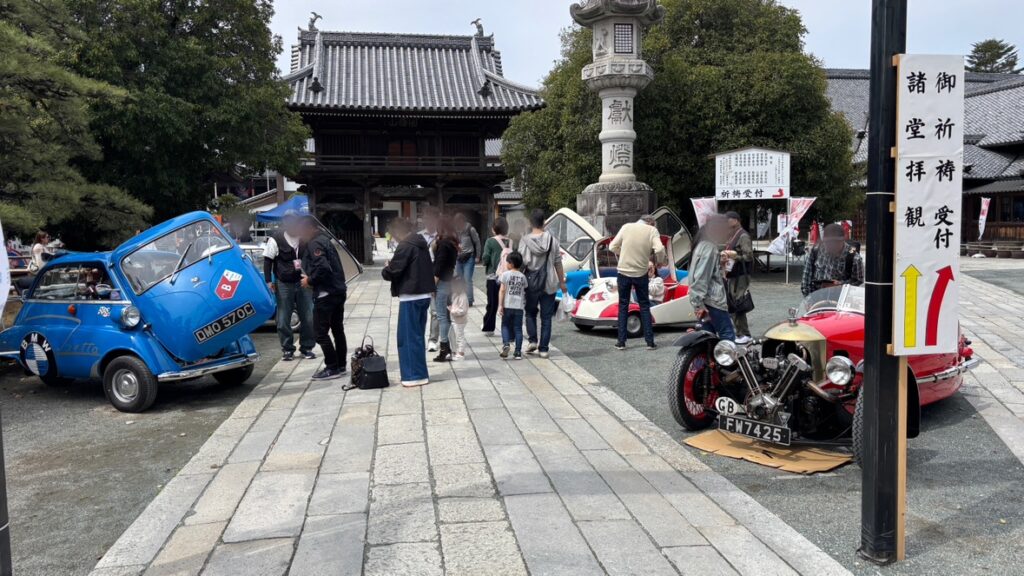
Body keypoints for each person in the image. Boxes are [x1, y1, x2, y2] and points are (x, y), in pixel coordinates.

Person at [382, 218, 435, 387]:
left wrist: (386, 268)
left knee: (408, 337)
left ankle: (414, 376)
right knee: (417, 336)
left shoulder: (405, 245)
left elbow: (394, 271)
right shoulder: (420, 242)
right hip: (423, 294)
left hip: (411, 296)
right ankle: (419, 373)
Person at [298, 216, 349, 381]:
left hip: (326, 294)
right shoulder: (326, 240)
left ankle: (332, 366)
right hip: (338, 291)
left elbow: (323, 268)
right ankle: (341, 365)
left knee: (319, 333)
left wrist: (309, 280)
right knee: (337, 330)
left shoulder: (315, 243)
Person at [262, 211, 316, 361]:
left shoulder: (304, 237)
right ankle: (287, 349)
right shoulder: (276, 238)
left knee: (309, 316)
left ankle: (307, 348)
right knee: (283, 317)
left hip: (303, 281)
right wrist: (268, 281)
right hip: (283, 282)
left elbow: (312, 257)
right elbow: (268, 260)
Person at [609, 215, 664, 350]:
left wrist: (623, 253)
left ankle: (621, 342)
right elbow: (660, 249)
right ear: (651, 223)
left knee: (623, 305)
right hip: (640, 273)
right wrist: (660, 261)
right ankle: (650, 341)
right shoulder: (652, 231)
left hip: (623, 272)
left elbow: (612, 246)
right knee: (644, 306)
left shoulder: (626, 227)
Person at [519, 209, 568, 359]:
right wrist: (561, 282)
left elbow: (521, 263)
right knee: (546, 317)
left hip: (530, 283)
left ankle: (533, 340)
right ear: (544, 222)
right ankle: (544, 349)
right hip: (549, 283)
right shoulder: (553, 240)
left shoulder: (525, 240)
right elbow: (558, 263)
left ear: (530, 223)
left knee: (530, 312)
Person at [689, 215, 736, 341]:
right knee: (728, 338)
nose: (728, 233)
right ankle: (727, 362)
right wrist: (698, 304)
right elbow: (701, 277)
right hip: (712, 302)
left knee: (706, 340)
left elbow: (701, 273)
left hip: (705, 301)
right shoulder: (709, 248)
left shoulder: (700, 244)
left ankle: (706, 361)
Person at [801, 223, 865, 297]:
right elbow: (805, 282)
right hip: (816, 298)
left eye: (836, 242)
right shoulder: (815, 251)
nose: (832, 245)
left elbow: (858, 281)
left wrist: (840, 285)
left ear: (843, 239)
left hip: (841, 300)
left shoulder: (854, 257)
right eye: (828, 242)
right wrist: (809, 300)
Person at [722, 211, 754, 344]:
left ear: (736, 220)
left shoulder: (743, 236)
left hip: (741, 273)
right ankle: (739, 332)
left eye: (729, 220)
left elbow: (749, 256)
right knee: (733, 303)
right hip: (733, 273)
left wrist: (736, 257)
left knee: (738, 303)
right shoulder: (733, 235)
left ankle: (745, 333)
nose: (727, 223)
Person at [432, 216, 459, 362]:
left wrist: (432, 285)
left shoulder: (443, 245)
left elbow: (438, 267)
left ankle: (444, 349)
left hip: (442, 283)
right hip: (449, 282)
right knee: (446, 317)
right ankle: (448, 347)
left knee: (442, 316)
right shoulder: (452, 243)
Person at [481, 217, 511, 335]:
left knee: (492, 303)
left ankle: (489, 328)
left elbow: (486, 257)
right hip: (508, 276)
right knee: (507, 303)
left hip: (494, 276)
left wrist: (485, 263)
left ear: (494, 229)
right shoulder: (511, 241)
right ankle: (509, 330)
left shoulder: (490, 241)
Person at [419, 208, 441, 352]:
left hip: (437, 276)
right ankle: (419, 338)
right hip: (421, 276)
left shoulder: (441, 237)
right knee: (420, 310)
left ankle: (433, 339)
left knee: (435, 311)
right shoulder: (418, 237)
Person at [498, 251, 527, 360]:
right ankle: (518, 352)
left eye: (507, 262)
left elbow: (502, 290)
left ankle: (506, 344)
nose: (506, 264)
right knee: (518, 329)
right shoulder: (523, 277)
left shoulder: (505, 275)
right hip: (519, 307)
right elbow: (524, 289)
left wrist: (500, 305)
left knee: (505, 325)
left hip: (507, 305)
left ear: (511, 263)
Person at [453, 212, 482, 306]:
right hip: (458, 258)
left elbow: (477, 242)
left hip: (469, 256)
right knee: (459, 279)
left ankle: (469, 300)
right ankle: (461, 299)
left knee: (467, 279)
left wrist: (478, 256)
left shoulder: (470, 229)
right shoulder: (455, 230)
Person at [448, 277, 469, 361]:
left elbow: (462, 310)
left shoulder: (463, 297)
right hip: (455, 320)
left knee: (459, 336)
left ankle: (461, 353)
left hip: (460, 321)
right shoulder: (456, 294)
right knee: (453, 335)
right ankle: (455, 350)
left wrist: (452, 311)